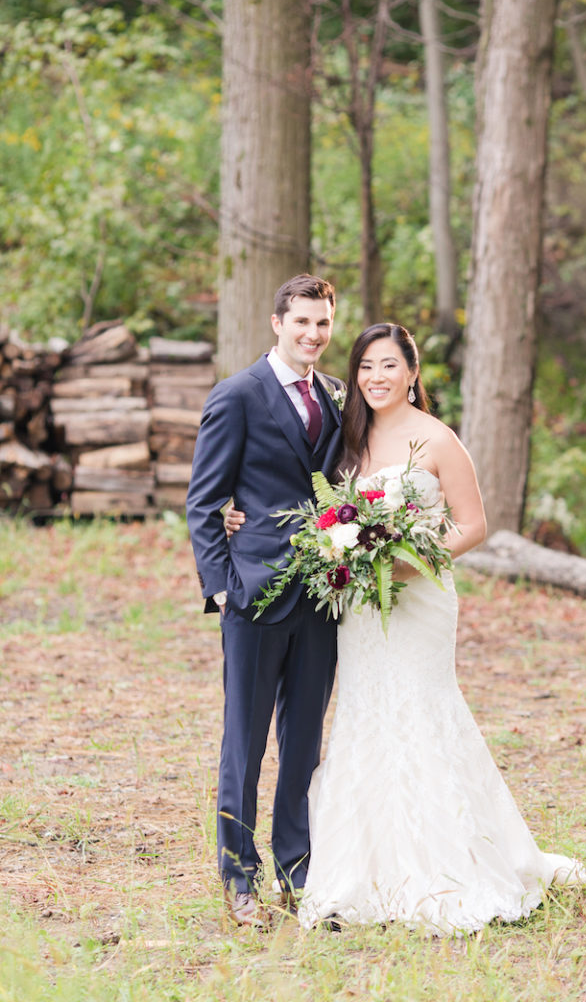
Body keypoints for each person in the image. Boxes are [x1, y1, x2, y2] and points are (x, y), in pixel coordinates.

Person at [225, 322, 586, 935]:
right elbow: (302, 495)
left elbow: (473, 524)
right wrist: (236, 513)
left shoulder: (436, 440)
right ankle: (362, 865)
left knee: (422, 711)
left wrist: (415, 560)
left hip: (420, 601)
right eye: (366, 366)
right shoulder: (351, 437)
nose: (376, 377)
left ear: (412, 372)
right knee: (367, 713)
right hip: (361, 609)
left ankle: (445, 865)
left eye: (389, 366)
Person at [186, 274, 345, 927]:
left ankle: (296, 871)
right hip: (252, 596)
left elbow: (338, 482)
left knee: (304, 743)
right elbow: (203, 502)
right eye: (301, 322)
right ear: (277, 321)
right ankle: (238, 878)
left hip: (320, 593)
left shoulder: (334, 396)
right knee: (245, 743)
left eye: (323, 324)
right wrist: (222, 586)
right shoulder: (238, 396)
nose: (312, 334)